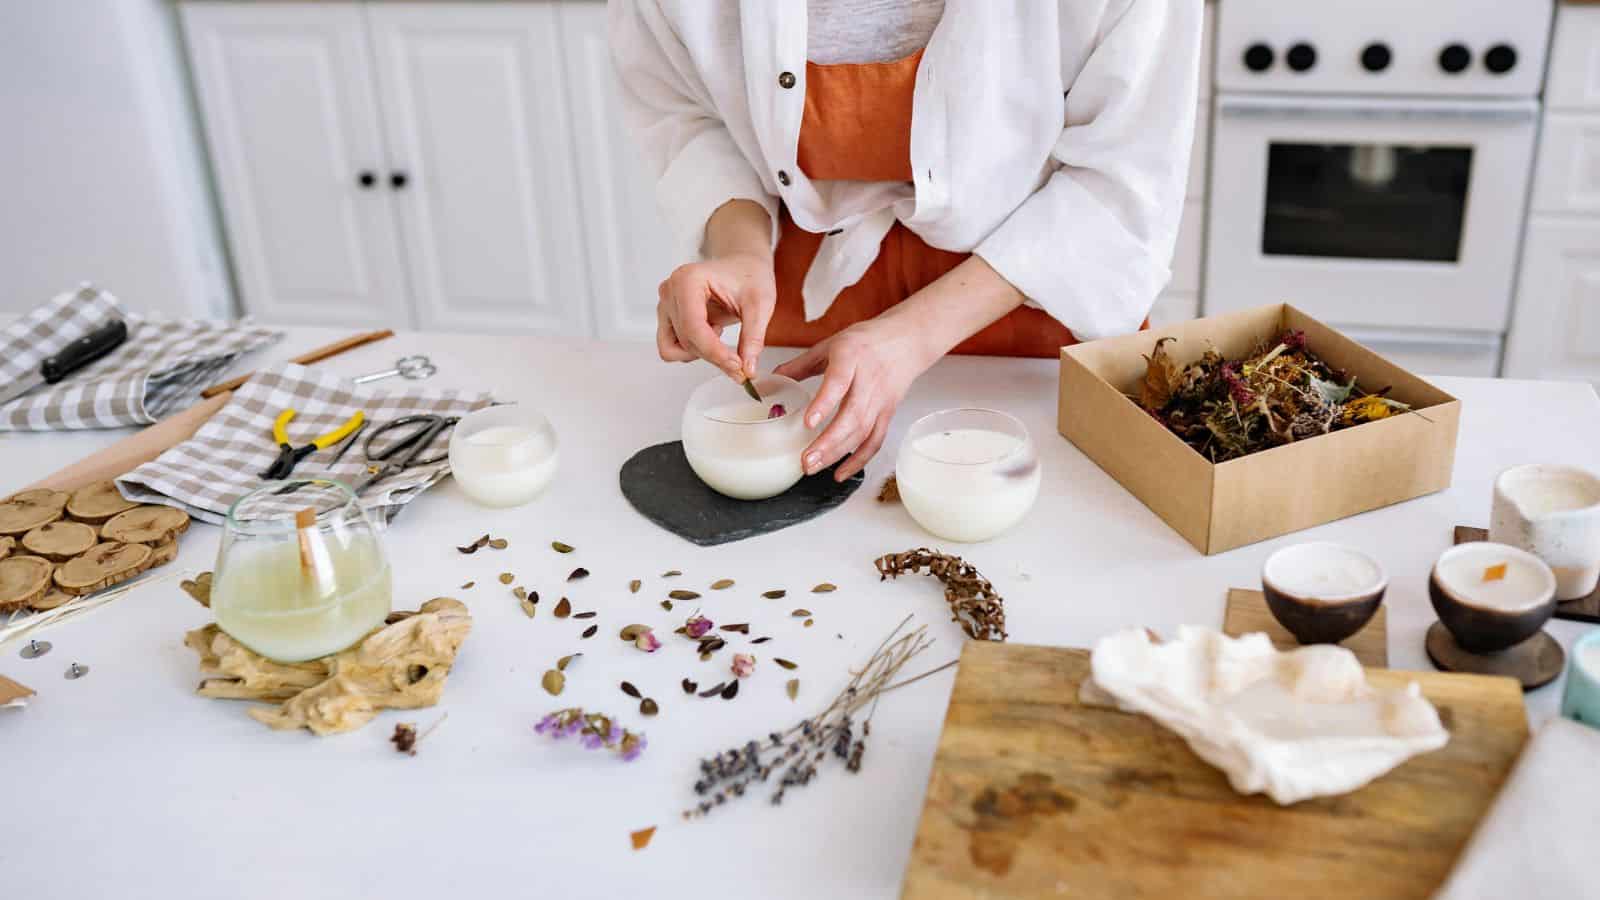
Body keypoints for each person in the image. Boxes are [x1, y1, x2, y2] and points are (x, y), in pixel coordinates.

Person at [610, 0, 1202, 481]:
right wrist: (736, 245)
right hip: (807, 296)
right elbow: (687, 110)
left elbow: (1122, 180)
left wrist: (910, 337)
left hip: (1033, 298)